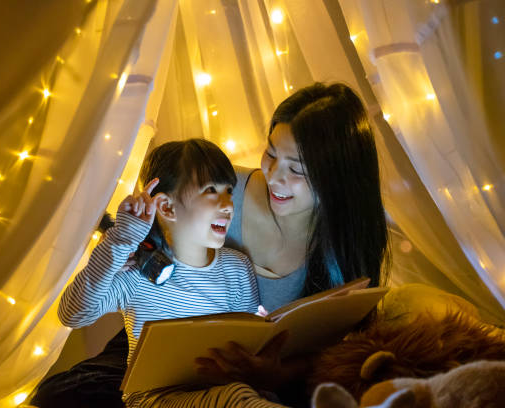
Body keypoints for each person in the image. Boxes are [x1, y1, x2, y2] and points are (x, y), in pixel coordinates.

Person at [33, 82, 390, 407]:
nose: (274, 176)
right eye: (270, 154)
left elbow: (324, 345)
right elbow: (86, 303)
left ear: (336, 177)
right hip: (155, 365)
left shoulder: (324, 246)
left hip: (248, 376)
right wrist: (123, 244)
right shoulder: (212, 187)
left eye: (296, 169)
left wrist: (270, 373)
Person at [31, 139, 260, 407]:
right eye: (211, 190)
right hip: (155, 399)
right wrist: (120, 240)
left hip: (218, 391)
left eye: (229, 191)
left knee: (244, 396)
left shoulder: (237, 268)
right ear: (166, 207)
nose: (228, 205)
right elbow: (72, 313)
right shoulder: (136, 274)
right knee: (234, 399)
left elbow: (249, 340)